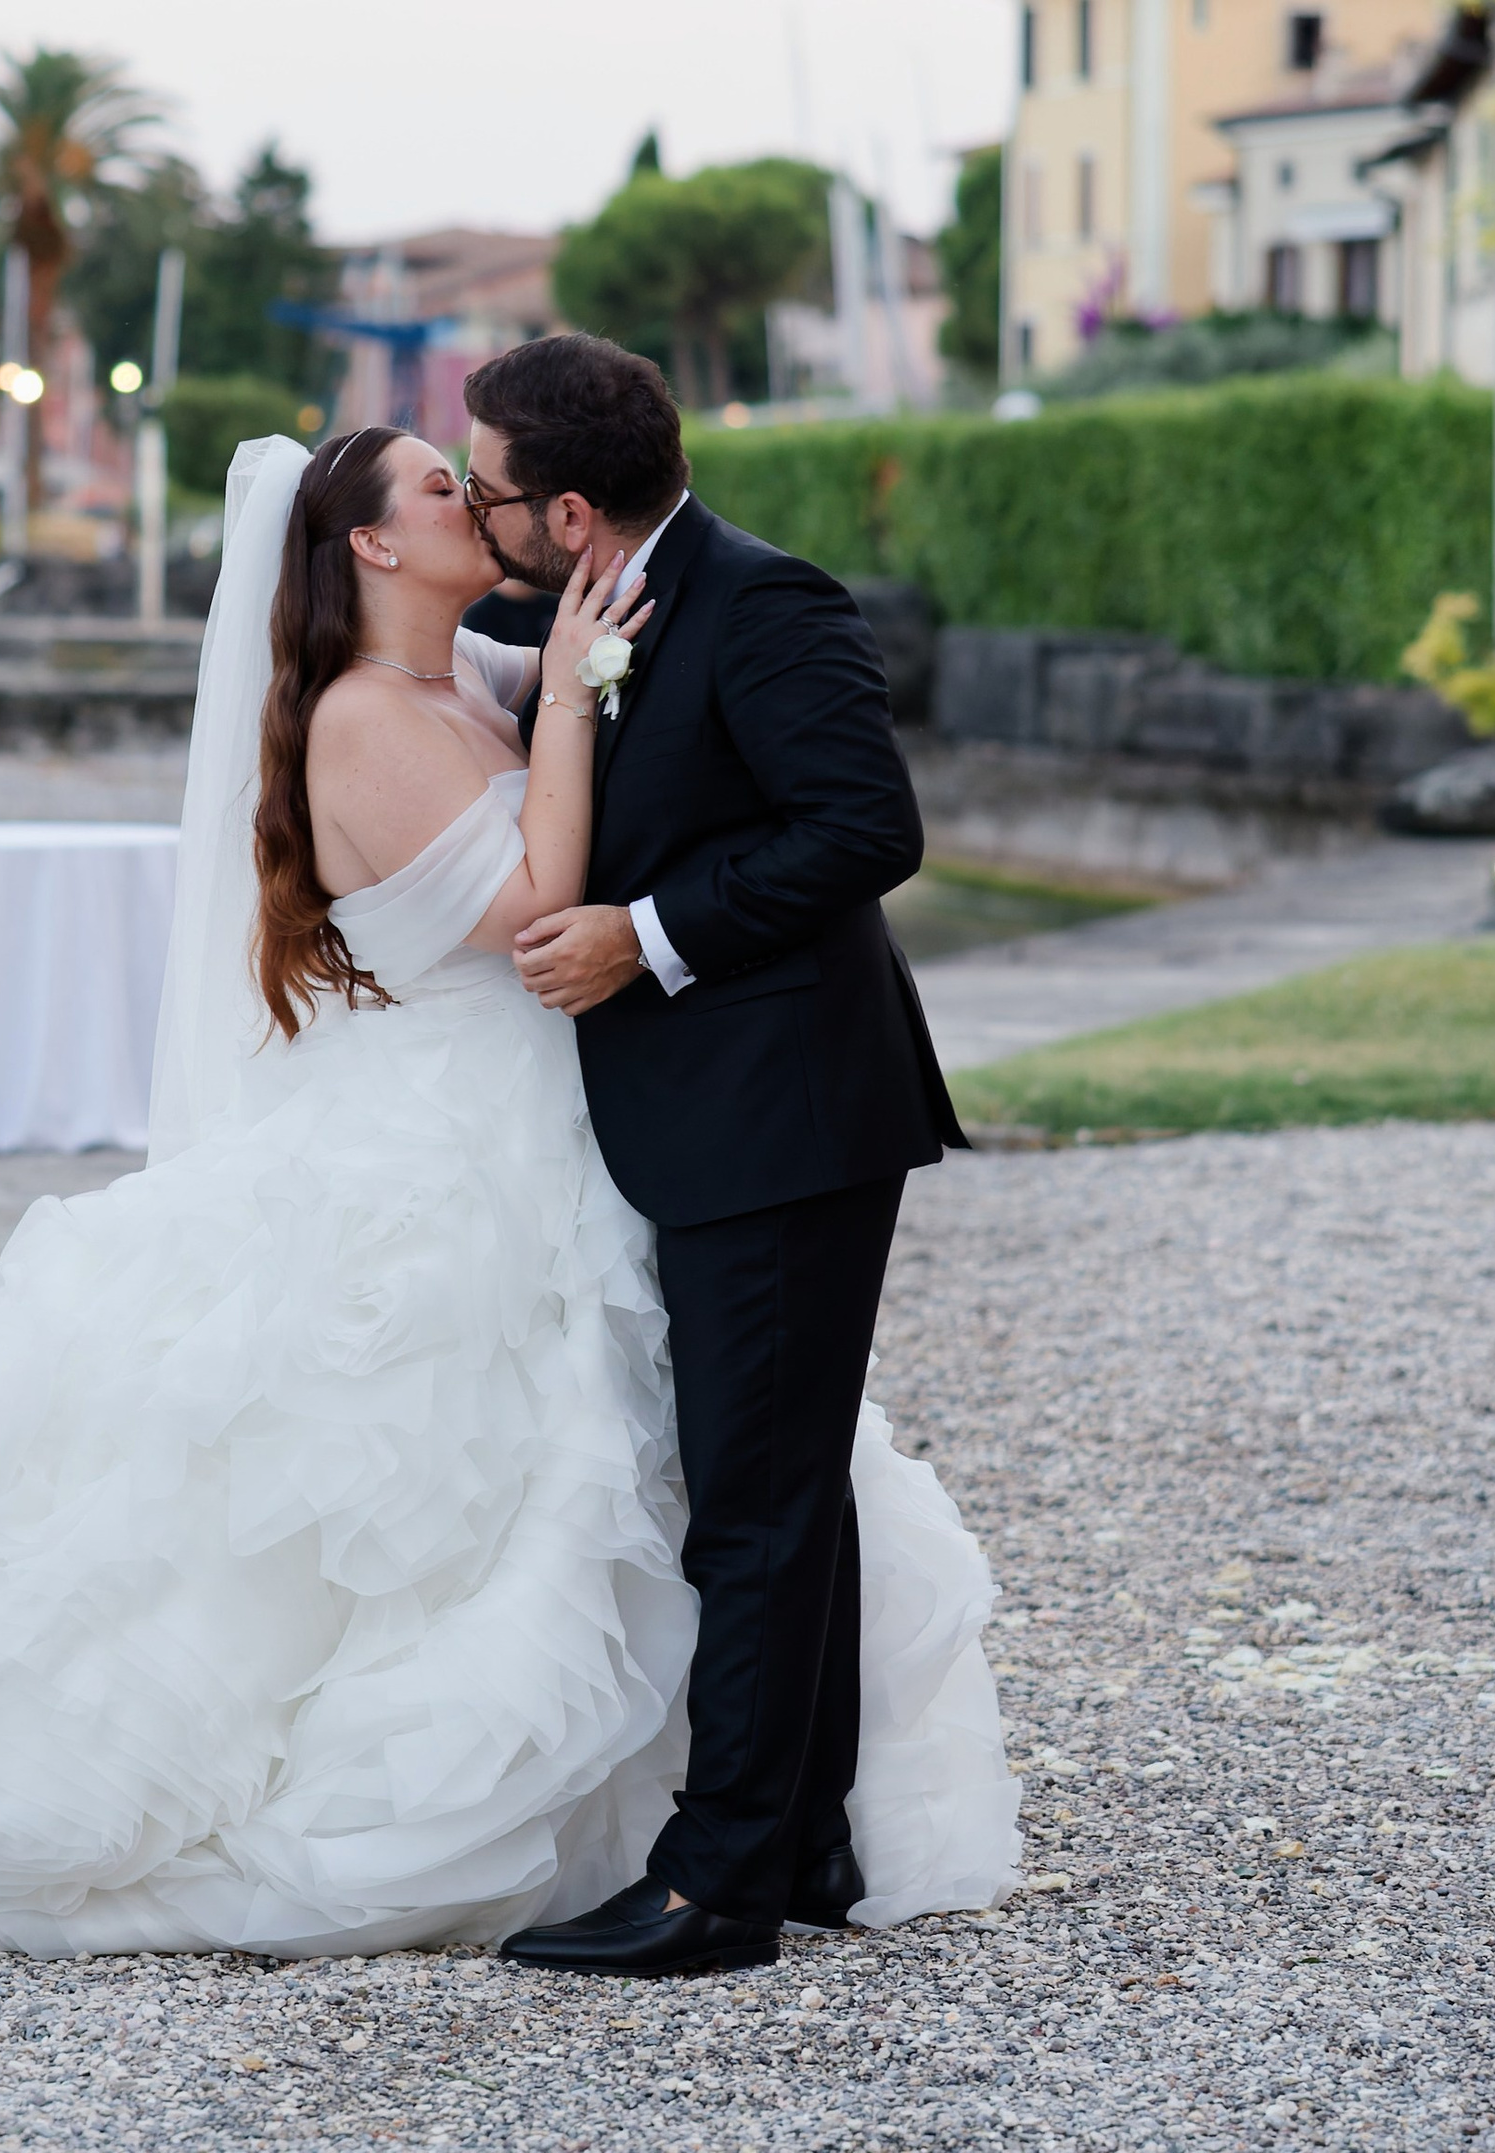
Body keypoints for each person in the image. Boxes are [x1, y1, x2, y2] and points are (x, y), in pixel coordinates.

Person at [0, 426, 1014, 1959]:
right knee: (458, 1477)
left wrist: (568, 676)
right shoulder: (368, 716)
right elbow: (535, 909)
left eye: (482, 476)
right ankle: (631, 1828)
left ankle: (766, 1829)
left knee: (727, 1466)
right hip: (457, 1119)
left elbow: (669, 716)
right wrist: (573, 703)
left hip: (586, 1117)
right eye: (445, 487)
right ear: (371, 544)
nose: (476, 502)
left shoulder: (483, 672)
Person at [457, 331, 968, 1979]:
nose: (480, 516)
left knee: (749, 1505)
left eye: (493, 493)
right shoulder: (596, 609)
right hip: (731, 1110)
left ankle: (719, 1884)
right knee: (785, 1493)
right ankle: (804, 1839)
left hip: (787, 1111)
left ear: (576, 510)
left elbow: (865, 827)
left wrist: (647, 935)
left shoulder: (767, 601)